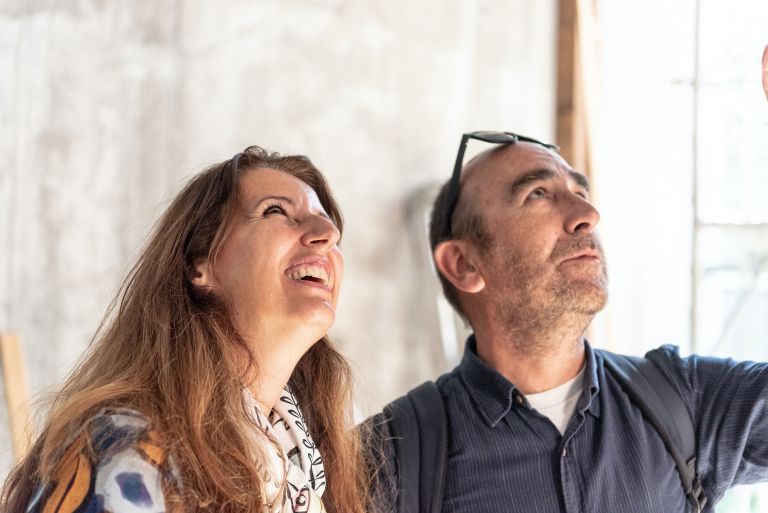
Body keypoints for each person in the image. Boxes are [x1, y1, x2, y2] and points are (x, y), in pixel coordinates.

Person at [367, 49, 768, 513]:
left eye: (580, 193)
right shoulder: (389, 459)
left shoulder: (685, 403)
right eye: (537, 194)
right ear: (464, 264)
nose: (587, 215)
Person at [1, 147, 369, 513]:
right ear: (199, 265)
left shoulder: (305, 476)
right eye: (276, 210)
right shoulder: (124, 451)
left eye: (328, 224)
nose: (328, 233)